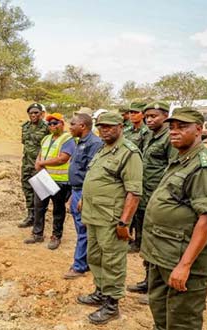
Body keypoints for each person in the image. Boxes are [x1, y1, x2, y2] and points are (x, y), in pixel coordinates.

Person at [140, 107, 207, 330]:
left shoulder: (204, 166)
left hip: (181, 259)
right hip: (162, 254)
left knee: (182, 322)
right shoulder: (182, 159)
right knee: (161, 314)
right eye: (172, 127)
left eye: (182, 127)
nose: (174, 132)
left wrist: (184, 266)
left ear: (198, 129)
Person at [77, 112, 143, 325]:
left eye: (109, 126)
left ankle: (112, 304)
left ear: (120, 126)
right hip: (94, 215)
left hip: (111, 218)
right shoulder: (103, 149)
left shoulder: (129, 153)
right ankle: (101, 292)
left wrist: (124, 222)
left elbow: (134, 192)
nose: (104, 130)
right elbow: (95, 178)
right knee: (95, 257)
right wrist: (84, 200)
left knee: (113, 260)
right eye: (101, 126)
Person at [127, 101, 175, 304]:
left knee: (157, 244)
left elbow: (172, 170)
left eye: (154, 116)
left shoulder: (169, 139)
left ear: (165, 116)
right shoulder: (148, 135)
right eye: (147, 116)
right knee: (146, 242)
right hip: (143, 196)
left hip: (158, 198)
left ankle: (156, 290)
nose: (149, 119)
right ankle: (148, 281)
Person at [23, 112, 74, 250]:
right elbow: (40, 154)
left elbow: (63, 158)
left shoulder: (67, 139)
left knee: (58, 209)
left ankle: (56, 236)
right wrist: (38, 163)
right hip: (44, 178)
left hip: (59, 180)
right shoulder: (46, 139)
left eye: (55, 123)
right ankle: (37, 234)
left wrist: (42, 163)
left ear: (62, 124)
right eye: (50, 124)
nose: (52, 126)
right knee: (39, 207)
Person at [63, 113, 103, 279]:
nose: (69, 127)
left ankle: (79, 266)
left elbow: (92, 173)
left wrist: (84, 196)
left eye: (73, 124)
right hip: (77, 190)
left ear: (83, 126)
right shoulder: (80, 142)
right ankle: (84, 262)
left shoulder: (94, 144)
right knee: (81, 229)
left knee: (84, 229)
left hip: (84, 192)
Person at [18, 103, 49, 228]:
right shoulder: (25, 127)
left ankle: (39, 218)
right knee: (27, 189)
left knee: (41, 192)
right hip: (26, 164)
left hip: (40, 165)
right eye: (31, 113)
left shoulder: (46, 127)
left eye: (36, 112)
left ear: (41, 114)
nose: (34, 115)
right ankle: (30, 215)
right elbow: (24, 143)